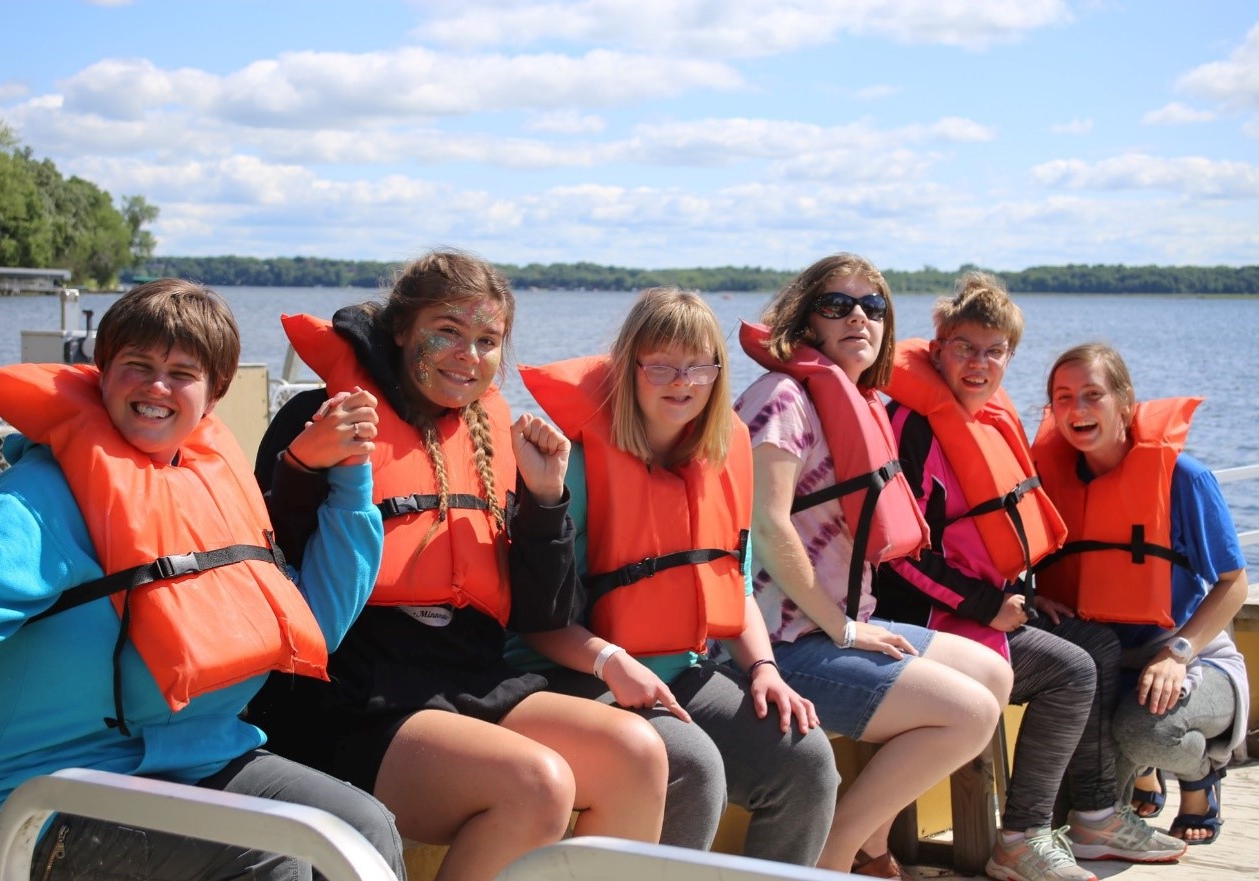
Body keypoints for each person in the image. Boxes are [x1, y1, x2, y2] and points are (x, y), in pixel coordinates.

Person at [0, 280, 405, 880]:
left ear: (213, 396)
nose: (156, 387)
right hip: (45, 801)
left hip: (194, 766)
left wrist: (351, 477)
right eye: (138, 365)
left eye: (182, 373)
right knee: (272, 855)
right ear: (101, 373)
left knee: (362, 827)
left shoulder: (213, 489)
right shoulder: (41, 498)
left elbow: (320, 621)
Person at [245, 250, 668, 881]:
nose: (468, 355)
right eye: (447, 331)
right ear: (400, 331)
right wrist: (304, 469)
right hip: (350, 690)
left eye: (487, 340)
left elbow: (540, 613)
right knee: (535, 784)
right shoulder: (319, 417)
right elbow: (261, 567)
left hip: (467, 672)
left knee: (637, 755)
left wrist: (547, 499)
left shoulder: (494, 439)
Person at [506, 286, 839, 865]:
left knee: (805, 760)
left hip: (678, 672)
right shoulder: (573, 469)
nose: (680, 381)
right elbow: (536, 622)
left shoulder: (722, 458)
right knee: (692, 766)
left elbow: (731, 582)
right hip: (578, 675)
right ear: (628, 368)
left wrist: (763, 668)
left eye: (697, 366)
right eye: (659, 364)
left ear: (718, 373)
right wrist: (614, 664)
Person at [875, 272, 1182, 881]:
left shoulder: (990, 419)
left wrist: (1024, 597)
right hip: (922, 618)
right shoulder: (911, 428)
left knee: (1092, 642)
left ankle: (1093, 815)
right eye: (964, 347)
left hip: (983, 605)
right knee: (1069, 671)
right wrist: (990, 605)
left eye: (994, 351)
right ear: (937, 348)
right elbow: (898, 557)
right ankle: (1021, 837)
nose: (978, 363)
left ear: (1009, 357)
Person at [735, 253, 1013, 879]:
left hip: (837, 625)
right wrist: (844, 629)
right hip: (785, 642)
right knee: (969, 713)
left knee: (992, 674)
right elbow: (769, 526)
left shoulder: (856, 399)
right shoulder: (781, 399)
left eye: (873, 306)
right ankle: (834, 856)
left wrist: (850, 625)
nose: (858, 316)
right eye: (837, 305)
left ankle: (872, 844)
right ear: (806, 321)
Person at [1033, 342, 1250, 849]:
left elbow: (1234, 584)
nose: (1077, 410)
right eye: (1063, 398)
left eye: (1093, 394)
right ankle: (1144, 771)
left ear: (1125, 401)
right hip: (1109, 671)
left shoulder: (1183, 478)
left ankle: (1200, 778)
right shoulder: (1047, 482)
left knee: (1145, 731)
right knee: (1073, 823)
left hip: (1195, 661)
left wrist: (1179, 653)